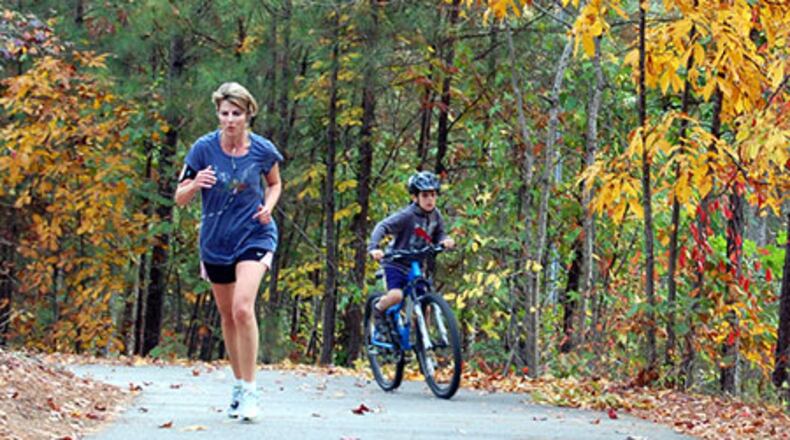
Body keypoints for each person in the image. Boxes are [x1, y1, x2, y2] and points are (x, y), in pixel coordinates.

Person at [174, 82, 283, 422]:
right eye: (225, 114)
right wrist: (195, 184)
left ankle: (251, 392)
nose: (230, 120)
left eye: (236, 114)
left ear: (248, 114)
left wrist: (268, 207)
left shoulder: (262, 150)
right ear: (217, 115)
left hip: (255, 234)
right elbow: (179, 197)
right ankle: (237, 385)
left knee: (242, 308)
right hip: (216, 241)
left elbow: (275, 183)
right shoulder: (203, 150)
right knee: (226, 314)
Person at [367, 171, 455, 337]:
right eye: (425, 195)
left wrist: (445, 240)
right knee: (396, 295)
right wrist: (374, 247)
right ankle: (378, 310)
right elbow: (382, 227)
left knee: (424, 302)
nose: (430, 200)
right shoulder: (407, 216)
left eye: (433, 195)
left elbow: (440, 234)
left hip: (416, 265)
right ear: (415, 197)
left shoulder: (436, 216)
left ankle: (422, 342)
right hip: (396, 263)